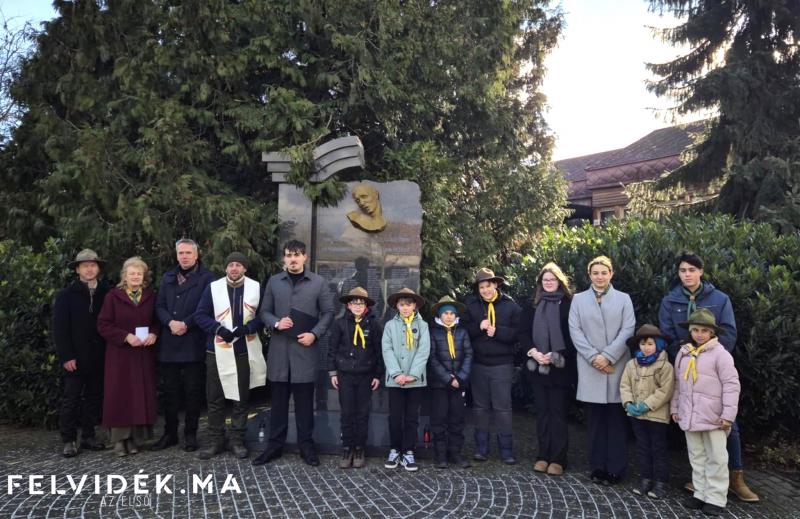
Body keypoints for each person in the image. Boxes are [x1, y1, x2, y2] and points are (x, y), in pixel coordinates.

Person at [658, 251, 758, 502]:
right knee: (693, 432)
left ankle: (735, 477)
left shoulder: (719, 299)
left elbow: (728, 332)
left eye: (692, 270)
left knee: (728, 426)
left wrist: (707, 355)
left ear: (701, 272)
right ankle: (701, 483)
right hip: (686, 370)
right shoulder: (670, 301)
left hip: (712, 369)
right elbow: (668, 334)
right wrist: (686, 356)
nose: (687, 274)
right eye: (682, 270)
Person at [253, 240, 334, 466]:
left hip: (304, 353)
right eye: (289, 255)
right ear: (284, 258)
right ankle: (274, 446)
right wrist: (276, 323)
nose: (293, 259)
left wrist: (315, 334)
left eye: (297, 255)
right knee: (277, 404)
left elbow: (328, 312)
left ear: (305, 257)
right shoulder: (274, 281)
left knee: (304, 405)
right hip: (279, 354)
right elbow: (264, 312)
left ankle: (306, 446)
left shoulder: (318, 283)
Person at [568, 255, 635, 485]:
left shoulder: (624, 299)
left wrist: (608, 357)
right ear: (590, 275)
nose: (599, 276)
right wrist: (594, 357)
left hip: (616, 366)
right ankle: (597, 467)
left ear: (611, 274)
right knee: (595, 423)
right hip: (590, 367)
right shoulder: (577, 300)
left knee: (616, 423)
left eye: (604, 272)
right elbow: (575, 331)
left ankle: (616, 469)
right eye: (595, 273)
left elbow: (628, 330)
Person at [194, 252, 266, 460]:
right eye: (230, 265)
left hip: (243, 348)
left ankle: (237, 440)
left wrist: (249, 327)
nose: (234, 268)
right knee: (215, 398)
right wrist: (218, 329)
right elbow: (200, 314)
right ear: (226, 268)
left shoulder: (255, 287)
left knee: (241, 398)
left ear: (244, 268)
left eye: (238, 265)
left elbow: (262, 314)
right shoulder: (213, 287)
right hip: (217, 349)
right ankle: (215, 439)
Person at [671, 309, 740, 517]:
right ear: (690, 331)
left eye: (704, 331)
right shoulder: (683, 354)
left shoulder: (721, 355)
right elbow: (677, 384)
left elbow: (731, 385)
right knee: (697, 455)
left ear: (711, 333)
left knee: (716, 457)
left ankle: (716, 497)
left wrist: (728, 415)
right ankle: (700, 493)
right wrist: (675, 408)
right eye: (695, 330)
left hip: (714, 417)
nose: (699, 334)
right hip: (690, 415)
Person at [152, 238, 214, 452]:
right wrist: (170, 322)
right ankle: (170, 434)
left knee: (192, 392)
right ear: (176, 255)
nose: (185, 256)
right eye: (181, 253)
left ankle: (190, 434)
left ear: (196, 255)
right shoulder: (168, 277)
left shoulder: (207, 278)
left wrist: (186, 324)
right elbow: (159, 306)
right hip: (170, 341)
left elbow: (207, 308)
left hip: (192, 341)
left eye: (189, 253)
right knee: (170, 392)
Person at [97, 256, 159, 457]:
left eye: (139, 273)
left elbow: (157, 322)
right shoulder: (113, 297)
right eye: (131, 273)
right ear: (124, 275)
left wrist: (153, 334)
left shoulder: (150, 296)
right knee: (119, 396)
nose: (135, 276)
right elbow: (103, 325)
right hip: (120, 354)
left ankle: (134, 439)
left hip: (142, 354)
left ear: (144, 277)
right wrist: (125, 336)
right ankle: (119, 440)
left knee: (138, 395)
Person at [53, 249, 111, 457]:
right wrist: (67, 356)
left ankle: (88, 436)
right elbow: (60, 330)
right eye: (84, 265)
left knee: (94, 398)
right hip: (75, 358)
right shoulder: (66, 295)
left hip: (99, 356)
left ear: (98, 268)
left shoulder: (107, 292)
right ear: (77, 269)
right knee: (72, 399)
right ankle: (68, 439)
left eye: (93, 265)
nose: (89, 268)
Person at [521, 262, 575, 476]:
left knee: (558, 414)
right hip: (538, 367)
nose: (549, 283)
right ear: (540, 283)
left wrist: (556, 355)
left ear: (560, 281)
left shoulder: (569, 304)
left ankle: (559, 459)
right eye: (545, 280)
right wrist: (534, 352)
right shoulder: (531, 305)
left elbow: (574, 335)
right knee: (542, 413)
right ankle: (543, 455)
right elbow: (522, 332)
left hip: (561, 367)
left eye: (553, 279)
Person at [463, 268, 521, 464]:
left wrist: (498, 332)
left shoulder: (510, 306)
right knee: (480, 408)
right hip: (478, 365)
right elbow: (462, 333)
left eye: (488, 285)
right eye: (481, 287)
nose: (485, 290)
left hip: (502, 365)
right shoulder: (471, 307)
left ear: (495, 285)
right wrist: (478, 327)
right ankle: (481, 448)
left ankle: (506, 450)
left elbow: (518, 335)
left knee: (503, 408)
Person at [327, 287, 383, 468]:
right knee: (347, 413)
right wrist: (333, 372)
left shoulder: (373, 324)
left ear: (366, 306)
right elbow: (332, 349)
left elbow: (378, 351)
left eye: (361, 303)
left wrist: (377, 374)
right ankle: (347, 447)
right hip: (345, 375)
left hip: (366, 375)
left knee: (362, 413)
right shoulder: (339, 323)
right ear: (348, 305)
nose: (358, 306)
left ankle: (359, 448)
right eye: (354, 303)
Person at [619, 324, 674, 499]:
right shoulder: (631, 364)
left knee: (658, 448)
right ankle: (645, 478)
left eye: (650, 344)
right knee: (642, 447)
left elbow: (666, 390)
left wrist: (647, 404)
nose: (646, 347)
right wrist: (628, 403)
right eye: (643, 344)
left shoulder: (665, 366)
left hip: (656, 415)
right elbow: (624, 385)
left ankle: (660, 482)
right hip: (636, 415)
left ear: (658, 345)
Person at [382, 288, 429, 472]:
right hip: (395, 380)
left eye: (408, 304)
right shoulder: (389, 326)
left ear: (414, 305)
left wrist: (412, 375)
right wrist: (397, 374)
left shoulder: (423, 326)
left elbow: (423, 351)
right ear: (397, 306)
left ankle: (409, 450)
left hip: (415, 381)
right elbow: (387, 350)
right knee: (395, 417)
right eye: (402, 304)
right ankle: (395, 449)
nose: (405, 308)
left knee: (411, 417)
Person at [427, 295, 473, 469]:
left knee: (457, 419)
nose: (448, 316)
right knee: (439, 418)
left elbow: (469, 355)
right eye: (445, 313)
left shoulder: (462, 332)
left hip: (459, 383)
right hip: (440, 384)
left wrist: (460, 378)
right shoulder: (433, 332)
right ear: (439, 315)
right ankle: (440, 455)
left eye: (451, 313)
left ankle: (455, 452)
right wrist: (447, 378)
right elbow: (432, 358)